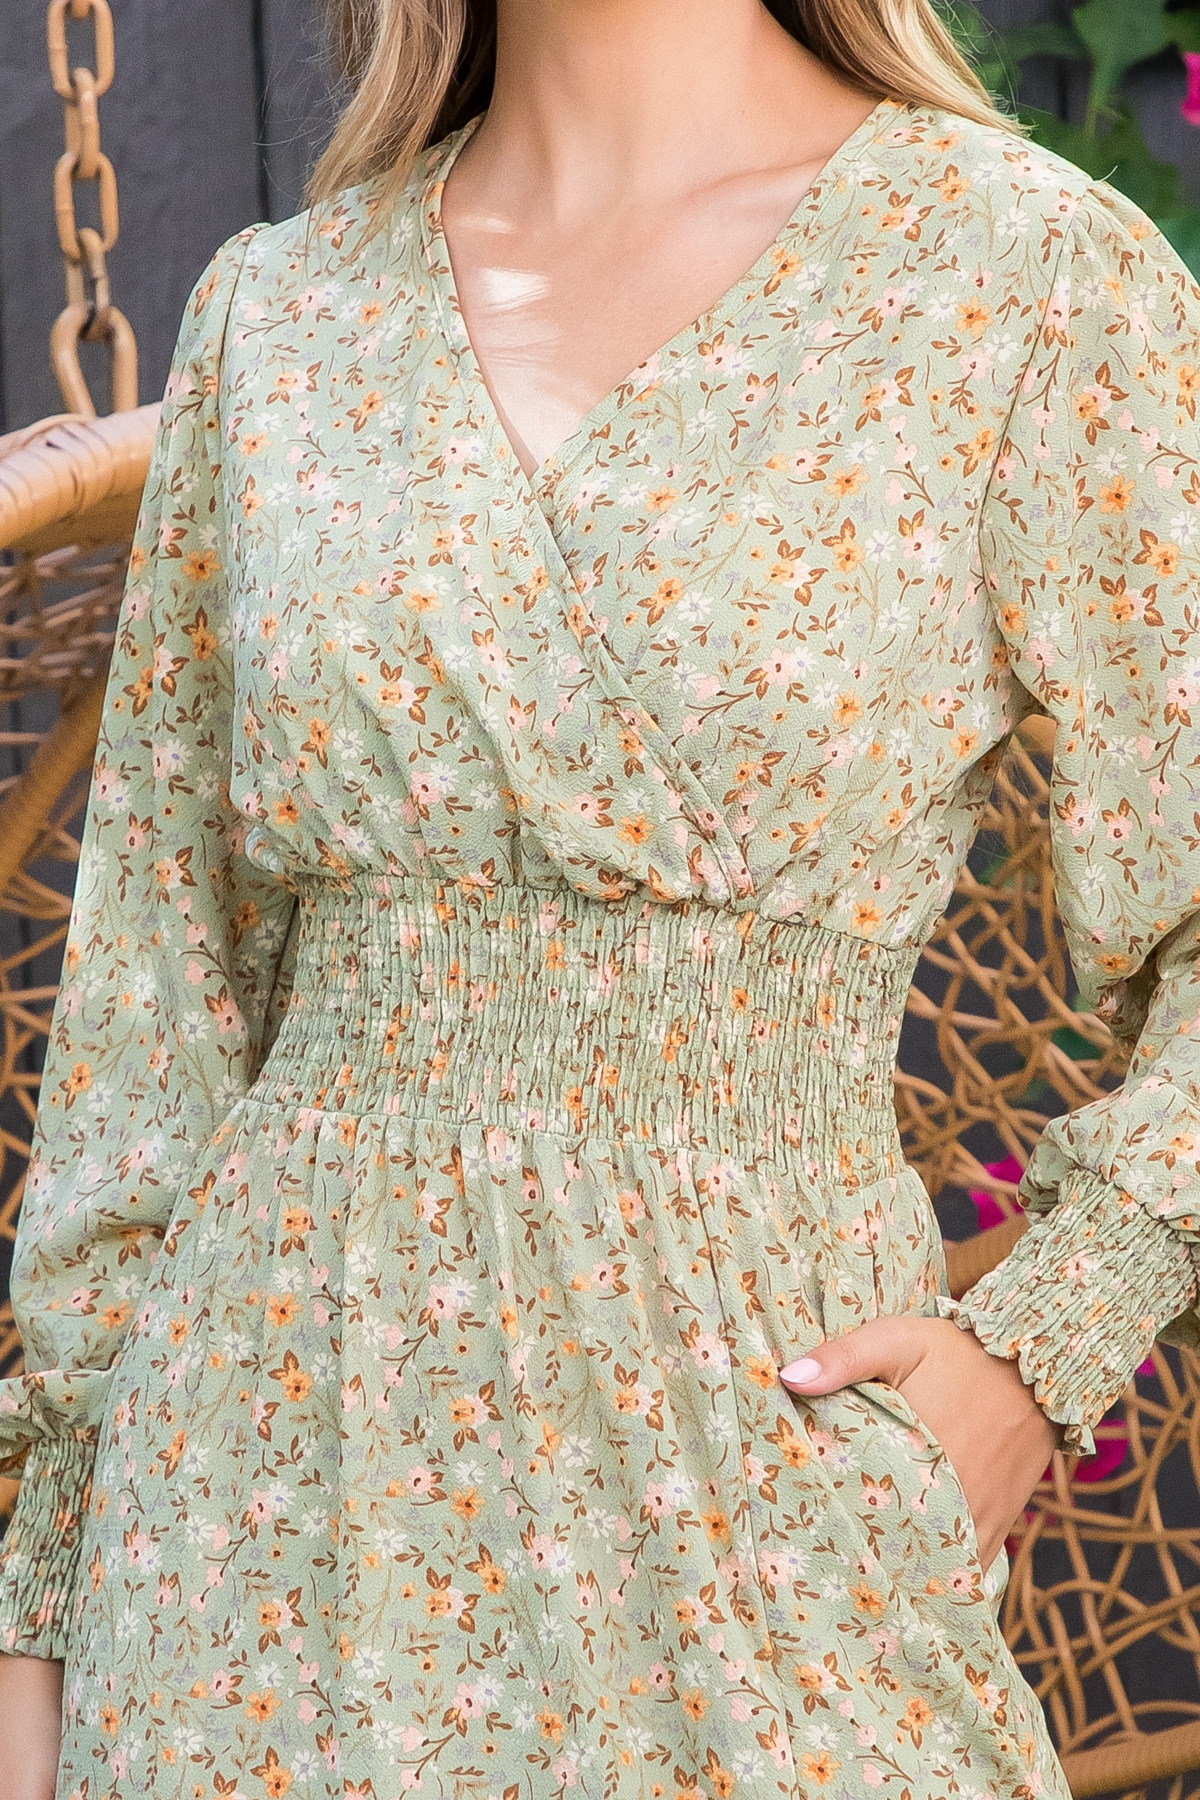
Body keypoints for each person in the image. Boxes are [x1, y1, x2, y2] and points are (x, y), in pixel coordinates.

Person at [3, 0, 1200, 1793]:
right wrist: (41, 1623)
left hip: (761, 1492)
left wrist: (1041, 1348)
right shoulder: (279, 315)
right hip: (244, 1546)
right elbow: (149, 1030)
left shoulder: (1023, 280)